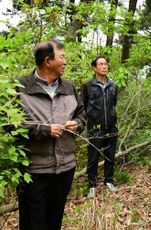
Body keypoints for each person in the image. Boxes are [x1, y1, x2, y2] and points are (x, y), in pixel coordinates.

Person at [16, 40, 86, 230]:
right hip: (34, 171)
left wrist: (77, 124)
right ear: (48, 61)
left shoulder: (69, 87)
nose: (65, 61)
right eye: (62, 56)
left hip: (65, 168)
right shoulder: (20, 87)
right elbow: (9, 125)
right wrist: (44, 130)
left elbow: (82, 115)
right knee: (33, 223)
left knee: (54, 220)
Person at [81, 56, 119, 198]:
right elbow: (82, 106)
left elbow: (113, 104)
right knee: (93, 157)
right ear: (94, 68)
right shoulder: (87, 85)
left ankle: (109, 181)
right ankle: (92, 184)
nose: (104, 66)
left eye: (106, 64)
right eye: (101, 64)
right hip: (94, 128)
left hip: (111, 127)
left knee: (110, 156)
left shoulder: (113, 85)